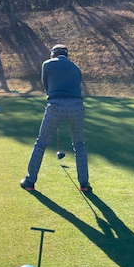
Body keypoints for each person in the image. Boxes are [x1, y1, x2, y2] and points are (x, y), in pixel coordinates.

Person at [20, 44, 91, 192]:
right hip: (77, 106)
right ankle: (84, 184)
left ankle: (30, 182)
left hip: (56, 105)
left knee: (41, 143)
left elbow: (46, 87)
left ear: (53, 54)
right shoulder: (76, 67)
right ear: (66, 55)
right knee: (79, 144)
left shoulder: (47, 64)